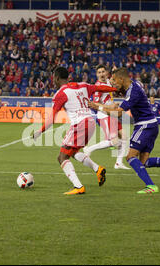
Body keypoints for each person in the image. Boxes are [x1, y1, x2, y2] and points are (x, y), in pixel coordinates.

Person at [88, 67, 160, 195]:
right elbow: (119, 94)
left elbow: (119, 113)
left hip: (145, 126)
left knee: (130, 157)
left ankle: (151, 186)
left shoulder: (133, 92)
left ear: (121, 79)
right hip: (151, 125)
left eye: (115, 80)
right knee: (144, 162)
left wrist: (98, 107)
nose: (114, 83)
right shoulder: (134, 84)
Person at [32, 67, 117, 195]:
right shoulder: (83, 85)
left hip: (80, 124)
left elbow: (51, 119)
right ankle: (97, 169)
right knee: (72, 152)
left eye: (53, 78)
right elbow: (101, 88)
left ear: (56, 78)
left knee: (62, 157)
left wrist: (39, 131)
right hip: (91, 122)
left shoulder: (60, 94)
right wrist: (115, 89)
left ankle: (78, 187)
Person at [82, 65, 130, 170]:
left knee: (124, 136)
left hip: (112, 113)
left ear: (106, 72)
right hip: (104, 115)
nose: (102, 74)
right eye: (99, 72)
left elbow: (115, 82)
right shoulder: (98, 87)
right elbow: (95, 103)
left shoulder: (108, 81)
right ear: (96, 75)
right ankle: (89, 149)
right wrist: (109, 106)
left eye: (103, 71)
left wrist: (115, 71)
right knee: (114, 142)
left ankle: (118, 163)